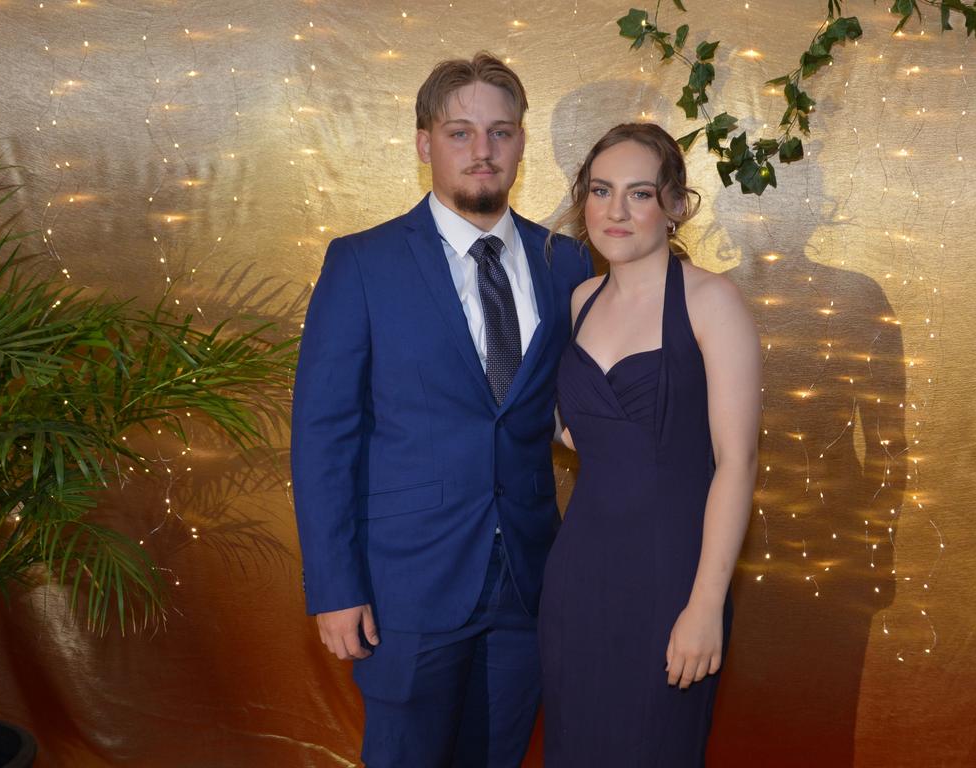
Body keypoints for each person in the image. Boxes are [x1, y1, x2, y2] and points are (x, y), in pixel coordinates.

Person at [290, 52, 591, 767]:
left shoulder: (568, 263)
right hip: (405, 589)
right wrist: (335, 588)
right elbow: (322, 436)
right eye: (459, 133)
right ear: (425, 143)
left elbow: (578, 411)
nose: (482, 152)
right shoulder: (361, 263)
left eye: (501, 132)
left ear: (520, 141)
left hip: (528, 583)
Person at [538, 122, 761, 766]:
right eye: (602, 190)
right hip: (577, 578)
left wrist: (705, 605)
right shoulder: (580, 299)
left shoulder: (712, 302)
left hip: (673, 581)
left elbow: (737, 465)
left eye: (639, 193)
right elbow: (579, 429)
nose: (615, 210)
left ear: (675, 205)